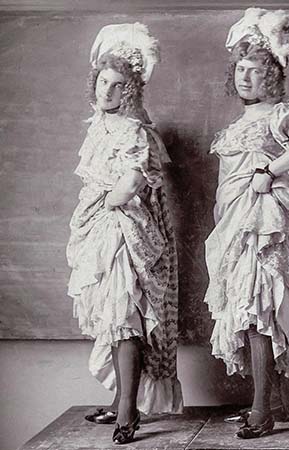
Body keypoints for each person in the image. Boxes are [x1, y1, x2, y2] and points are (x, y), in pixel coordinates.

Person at [203, 8, 289, 440]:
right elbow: (226, 184)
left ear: (271, 75)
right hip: (235, 226)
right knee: (247, 307)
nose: (245, 77)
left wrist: (269, 171)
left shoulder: (282, 114)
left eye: (255, 70)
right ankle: (272, 400)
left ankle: (261, 410)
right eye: (240, 69)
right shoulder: (236, 127)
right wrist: (222, 219)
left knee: (261, 308)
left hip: (266, 224)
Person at [67, 23, 183, 444]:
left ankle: (129, 411)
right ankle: (121, 402)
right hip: (101, 228)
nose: (107, 91)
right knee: (113, 319)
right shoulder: (99, 126)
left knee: (125, 316)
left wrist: (106, 201)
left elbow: (132, 181)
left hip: (126, 229)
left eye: (117, 85)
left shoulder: (133, 129)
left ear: (130, 90)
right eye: (103, 81)